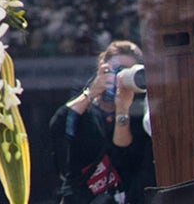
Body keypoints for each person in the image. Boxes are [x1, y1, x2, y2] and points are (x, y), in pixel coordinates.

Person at [51, 41, 151, 204]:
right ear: (102, 68)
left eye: (127, 72)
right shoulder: (85, 111)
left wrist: (122, 108)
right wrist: (92, 92)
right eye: (116, 70)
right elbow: (58, 125)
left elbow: (123, 153)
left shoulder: (139, 113)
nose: (119, 77)